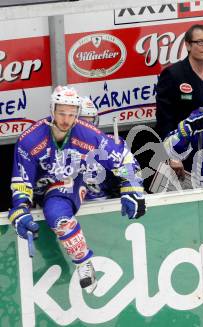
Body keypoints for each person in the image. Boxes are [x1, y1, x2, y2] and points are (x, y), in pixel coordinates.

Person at [8, 86, 147, 294]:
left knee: (56, 213)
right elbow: (21, 180)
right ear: (52, 110)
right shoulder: (30, 139)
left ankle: (83, 263)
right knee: (38, 225)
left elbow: (123, 157)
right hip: (38, 192)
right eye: (62, 113)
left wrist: (131, 188)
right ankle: (57, 265)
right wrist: (20, 208)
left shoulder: (88, 134)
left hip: (67, 185)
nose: (66, 120)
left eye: (72, 114)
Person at [155, 24, 203, 140]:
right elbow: (164, 119)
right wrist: (170, 149)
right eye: (200, 42)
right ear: (188, 45)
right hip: (183, 145)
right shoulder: (173, 74)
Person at [78, 97, 127, 201]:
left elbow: (128, 172)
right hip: (73, 203)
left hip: (104, 202)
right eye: (84, 122)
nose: (87, 127)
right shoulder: (62, 144)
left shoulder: (110, 142)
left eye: (91, 121)